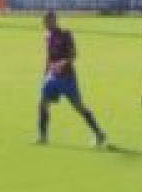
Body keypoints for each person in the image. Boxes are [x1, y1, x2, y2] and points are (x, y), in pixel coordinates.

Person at [37, 11, 107, 148]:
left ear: (55, 20)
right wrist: (46, 73)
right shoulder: (47, 36)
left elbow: (74, 54)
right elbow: (49, 56)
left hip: (67, 78)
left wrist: (62, 63)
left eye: (48, 21)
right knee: (42, 104)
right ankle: (43, 137)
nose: (46, 24)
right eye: (44, 22)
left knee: (79, 107)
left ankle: (99, 134)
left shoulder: (66, 34)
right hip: (52, 77)